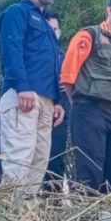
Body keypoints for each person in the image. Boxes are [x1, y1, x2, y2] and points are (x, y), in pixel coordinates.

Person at [60, 0, 111, 192]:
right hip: (90, 109)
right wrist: (80, 106)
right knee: (90, 169)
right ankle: (88, 218)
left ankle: (109, 220)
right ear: (110, 10)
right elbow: (68, 77)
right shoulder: (89, 35)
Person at [0, 0, 66, 195]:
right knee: (19, 157)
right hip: (24, 95)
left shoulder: (46, 22)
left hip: (46, 98)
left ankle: (26, 218)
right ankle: (8, 218)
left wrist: (57, 100)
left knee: (39, 159)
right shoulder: (16, 12)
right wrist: (22, 87)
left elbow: (52, 63)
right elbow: (12, 51)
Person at [43, 12, 70, 191]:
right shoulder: (33, 56)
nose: (52, 32)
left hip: (59, 114)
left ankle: (53, 202)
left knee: (55, 157)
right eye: (48, 29)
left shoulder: (66, 57)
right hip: (34, 109)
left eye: (55, 29)